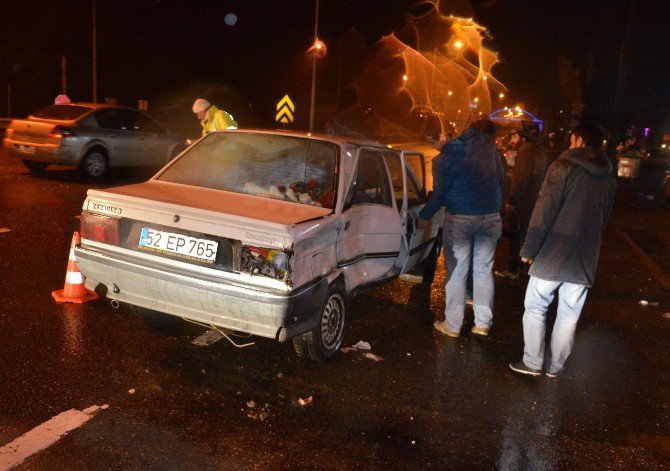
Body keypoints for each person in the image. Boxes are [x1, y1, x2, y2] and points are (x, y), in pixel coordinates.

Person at [509, 123, 616, 377]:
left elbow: (543, 211)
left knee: (536, 305)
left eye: (571, 141)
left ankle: (533, 362)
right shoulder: (609, 178)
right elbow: (604, 219)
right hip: (585, 257)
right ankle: (556, 367)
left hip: (553, 253)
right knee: (569, 314)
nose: (569, 145)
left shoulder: (562, 167)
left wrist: (528, 248)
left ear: (579, 141)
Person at [419, 119, 505, 338]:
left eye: (432, 141)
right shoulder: (490, 150)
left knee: (457, 272)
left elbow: (438, 196)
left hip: (461, 220)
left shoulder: (444, 160)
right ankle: (483, 323)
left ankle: (453, 325)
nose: (433, 146)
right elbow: (501, 181)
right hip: (490, 217)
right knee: (484, 271)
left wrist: (424, 216)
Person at [495, 129, 549, 279]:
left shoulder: (526, 153)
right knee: (523, 235)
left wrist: (511, 200)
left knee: (515, 236)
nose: (512, 139)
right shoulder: (539, 152)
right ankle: (523, 269)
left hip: (523, 203)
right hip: (533, 202)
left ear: (523, 138)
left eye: (514, 136)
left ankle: (513, 269)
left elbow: (521, 181)